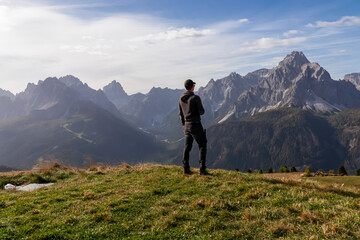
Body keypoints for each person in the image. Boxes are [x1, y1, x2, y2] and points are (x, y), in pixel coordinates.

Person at [179, 79, 208, 175]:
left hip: (186, 125)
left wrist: (183, 124)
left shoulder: (181, 98)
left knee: (187, 147)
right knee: (202, 145)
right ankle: (202, 169)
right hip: (195, 125)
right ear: (192, 87)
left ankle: (185, 169)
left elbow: (181, 114)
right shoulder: (195, 98)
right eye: (194, 86)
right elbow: (201, 112)